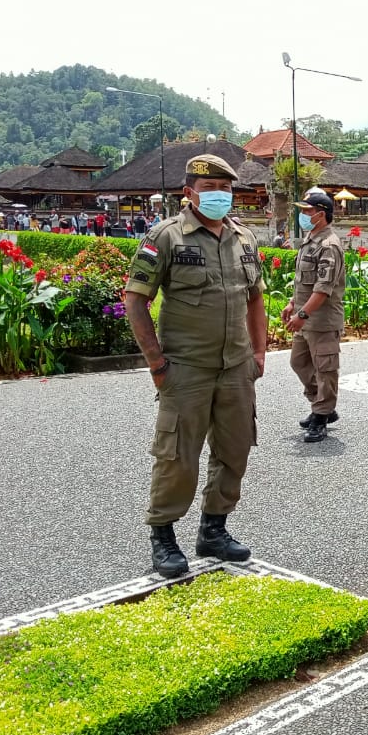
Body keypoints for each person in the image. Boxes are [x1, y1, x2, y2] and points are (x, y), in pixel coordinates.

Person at [122, 153, 267, 578]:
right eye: (210, 190)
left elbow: (255, 296)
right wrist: (156, 362)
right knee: (178, 456)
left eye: (226, 189)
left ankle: (214, 530)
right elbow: (135, 299)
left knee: (235, 449)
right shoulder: (166, 236)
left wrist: (259, 352)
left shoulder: (244, 238)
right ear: (189, 193)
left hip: (236, 366)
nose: (220, 196)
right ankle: (163, 535)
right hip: (185, 367)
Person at [284, 188, 346, 443]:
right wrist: (292, 304)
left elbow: (323, 288)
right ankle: (322, 405)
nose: (303, 215)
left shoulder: (329, 246)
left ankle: (321, 415)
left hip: (321, 320)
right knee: (299, 362)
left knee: (325, 368)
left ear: (321, 215)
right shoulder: (311, 240)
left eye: (307, 211)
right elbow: (304, 282)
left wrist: (302, 314)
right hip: (305, 317)